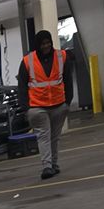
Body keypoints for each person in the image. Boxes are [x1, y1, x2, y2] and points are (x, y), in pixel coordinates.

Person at [18, 30, 73, 180]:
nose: (46, 46)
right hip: (37, 107)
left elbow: (68, 79)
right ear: (37, 45)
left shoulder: (62, 56)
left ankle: (53, 165)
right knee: (44, 136)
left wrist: (67, 102)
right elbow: (22, 86)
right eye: (42, 44)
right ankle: (47, 166)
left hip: (59, 105)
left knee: (54, 137)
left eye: (48, 42)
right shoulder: (27, 61)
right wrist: (26, 109)